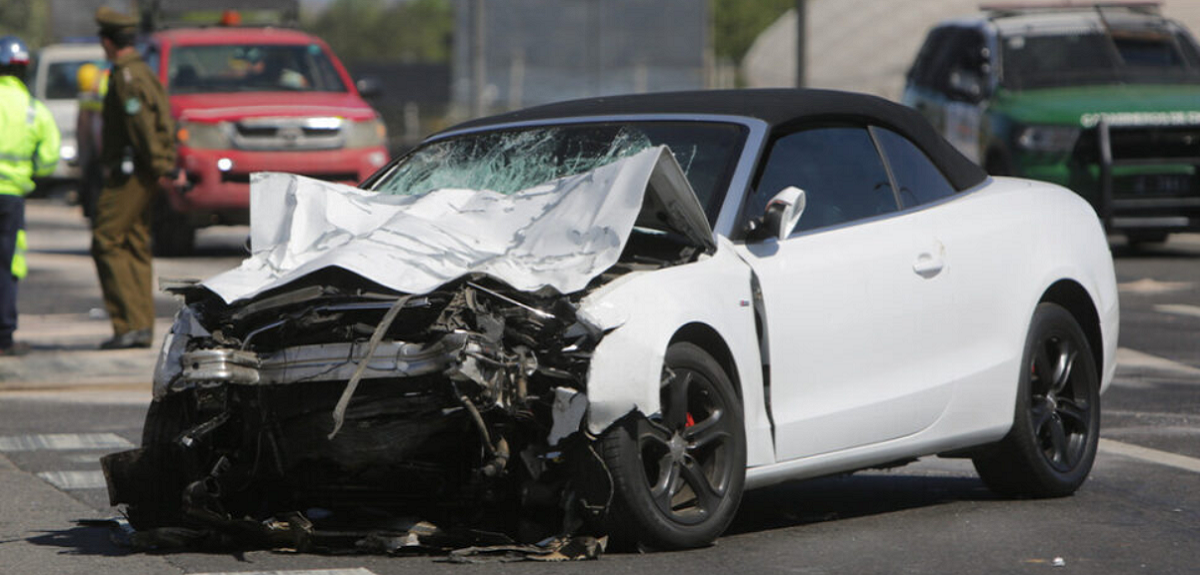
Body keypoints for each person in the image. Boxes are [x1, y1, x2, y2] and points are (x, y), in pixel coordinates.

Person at [93, 7, 182, 349]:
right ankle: (139, 326)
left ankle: (127, 324)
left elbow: (142, 126)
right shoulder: (139, 71)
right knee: (131, 243)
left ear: (107, 42)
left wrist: (159, 165)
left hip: (133, 173)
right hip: (143, 168)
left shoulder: (127, 77)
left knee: (106, 239)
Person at [0, 35, 60, 356]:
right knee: (7, 264)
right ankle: (4, 336)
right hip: (11, 198)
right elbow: (49, 160)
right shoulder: (34, 110)